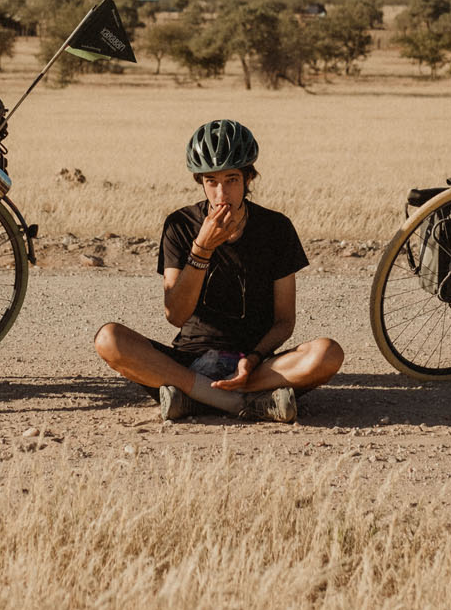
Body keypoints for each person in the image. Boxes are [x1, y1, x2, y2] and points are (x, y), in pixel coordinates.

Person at [93, 119, 344, 423]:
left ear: (249, 178)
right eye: (211, 181)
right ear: (200, 181)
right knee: (109, 339)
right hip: (187, 363)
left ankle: (195, 400)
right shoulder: (180, 225)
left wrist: (252, 360)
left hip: (254, 365)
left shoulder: (277, 228)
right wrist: (202, 248)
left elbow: (284, 321)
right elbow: (176, 315)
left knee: (328, 353)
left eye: (232, 179)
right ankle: (241, 403)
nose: (221, 193)